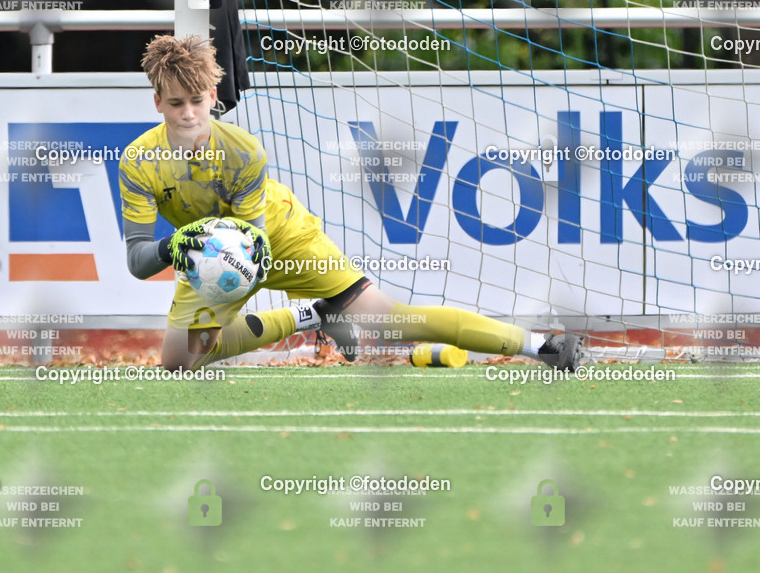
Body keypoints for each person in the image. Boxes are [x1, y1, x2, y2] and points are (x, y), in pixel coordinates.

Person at [119, 34, 583, 371]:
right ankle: (311, 315)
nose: (188, 114)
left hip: (280, 235)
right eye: (176, 103)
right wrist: (176, 246)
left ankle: (542, 346)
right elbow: (138, 263)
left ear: (213, 97)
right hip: (205, 252)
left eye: (197, 101)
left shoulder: (243, 151)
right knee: (180, 361)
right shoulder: (138, 162)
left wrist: (216, 252)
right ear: (157, 102)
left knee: (392, 321)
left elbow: (253, 245)